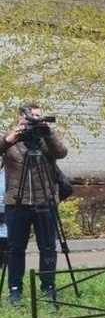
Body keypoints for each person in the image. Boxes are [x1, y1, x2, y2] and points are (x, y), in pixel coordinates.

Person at [2, 103, 68, 305]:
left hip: (44, 200)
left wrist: (48, 133)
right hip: (17, 202)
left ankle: (48, 286)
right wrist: (9, 139)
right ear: (21, 117)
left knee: (48, 247)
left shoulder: (45, 138)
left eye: (40, 115)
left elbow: (61, 152)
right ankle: (15, 289)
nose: (37, 119)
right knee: (15, 249)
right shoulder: (11, 138)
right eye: (33, 116)